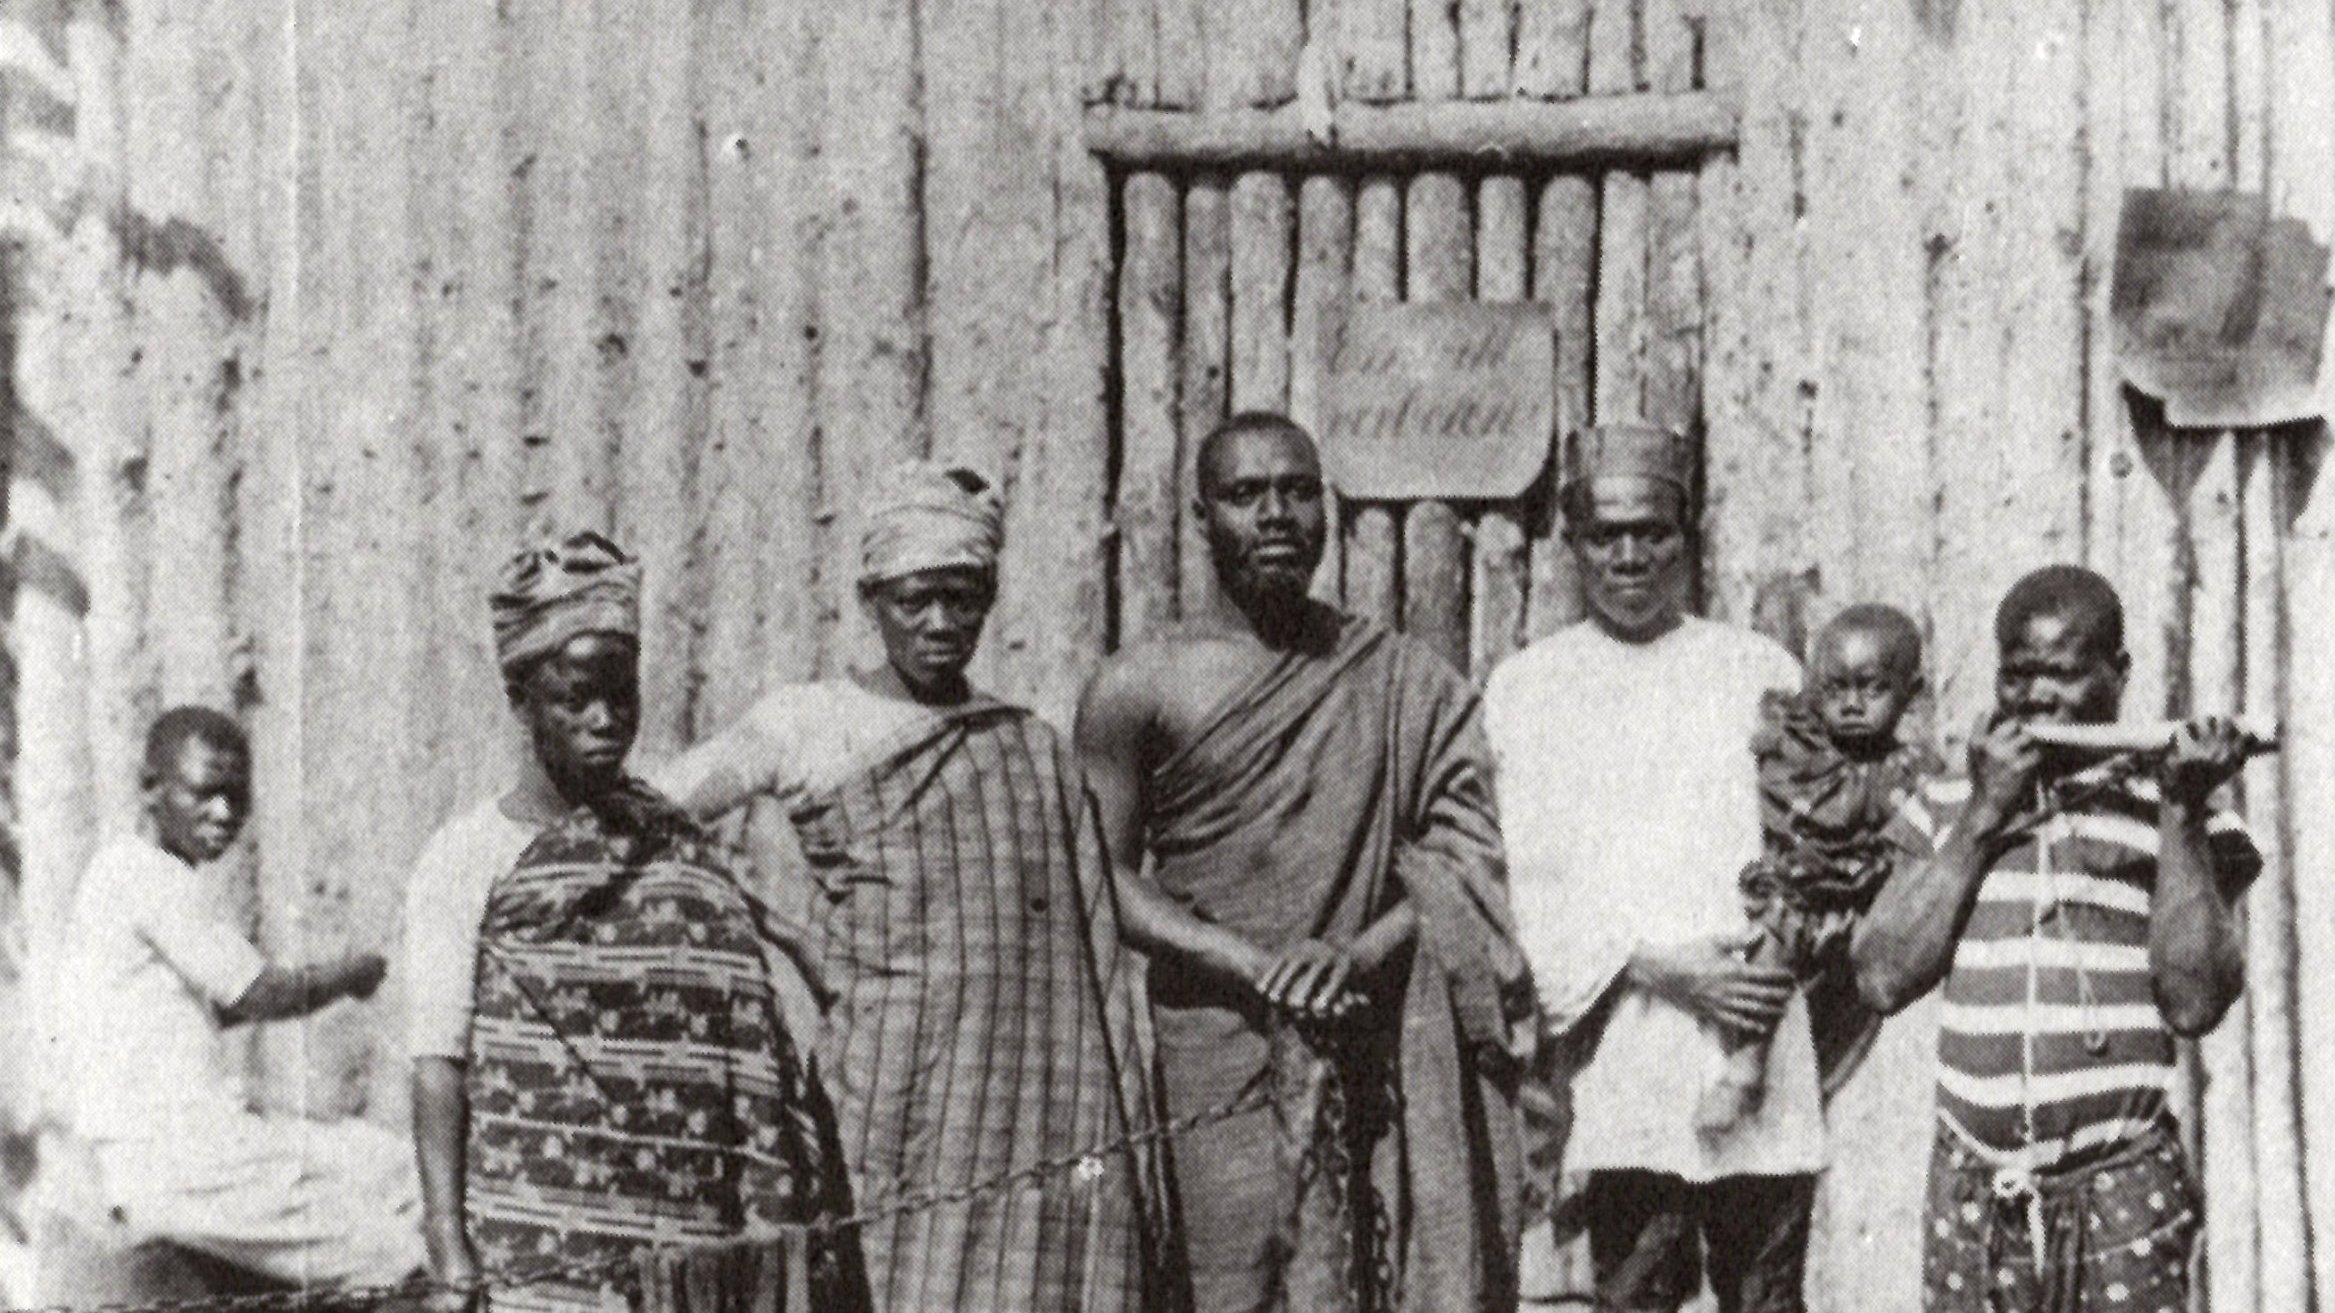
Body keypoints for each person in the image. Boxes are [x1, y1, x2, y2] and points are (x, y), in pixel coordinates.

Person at [651, 461, 1162, 1313]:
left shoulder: (1027, 743)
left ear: (988, 598)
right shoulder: (808, 721)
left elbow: (1090, 952)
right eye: (913, 599)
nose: (939, 623)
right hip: (893, 1095)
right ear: (869, 598)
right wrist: (777, 931)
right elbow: (654, 814)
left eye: (962, 598)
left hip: (1039, 1105)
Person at [1075, 411, 1533, 1313]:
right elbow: (1097, 873)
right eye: (1245, 494)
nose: (1275, 514)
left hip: (1372, 1028)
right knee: (1234, 1284)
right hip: (1216, 1036)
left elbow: (1464, 861)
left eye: (1296, 490)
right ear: (1201, 517)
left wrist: (1350, 955)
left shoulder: (1401, 676)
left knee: (1382, 1272)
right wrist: (1247, 961)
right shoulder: (1137, 685)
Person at [404, 532, 838, 1313]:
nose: (606, 718)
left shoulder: (669, 842)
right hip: (543, 1246)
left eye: (622, 693)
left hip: (691, 1239)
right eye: (575, 697)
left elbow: (736, 1020)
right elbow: (439, 1059)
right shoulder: (466, 856)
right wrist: (447, 1239)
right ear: (520, 700)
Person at [1852, 565, 2256, 1313]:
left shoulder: (2179, 813)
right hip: (1974, 1191)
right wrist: (1982, 813)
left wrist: (2180, 810)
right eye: (2016, 676)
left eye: (2063, 675)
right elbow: (1878, 977)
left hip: (2120, 1189)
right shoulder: (1946, 801)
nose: (2036, 698)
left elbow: (2195, 1002)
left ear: (2118, 673)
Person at [1483, 425, 1821, 1313]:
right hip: (1619, 1043)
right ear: (1573, 543)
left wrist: (1751, 982)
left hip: (1751, 1042)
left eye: (1653, 531)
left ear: (1686, 534)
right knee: (1634, 1292)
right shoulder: (1528, 689)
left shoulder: (1756, 670)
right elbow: (1520, 875)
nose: (1629, 555)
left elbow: (1807, 849)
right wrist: (1655, 965)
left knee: (1765, 1293)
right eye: (1606, 534)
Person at [60, 705, 423, 1289]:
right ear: (151, 789)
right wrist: (353, 974)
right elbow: (260, 994)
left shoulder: (122, 872)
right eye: (204, 793)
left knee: (394, 1166)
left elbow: (204, 1006)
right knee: (392, 1255)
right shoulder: (147, 876)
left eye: (237, 796)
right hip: (184, 1160)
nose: (224, 813)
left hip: (190, 1147)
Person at [1702, 603, 1941, 1130]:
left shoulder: (1912, 768)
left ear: (1910, 690)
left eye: (1872, 689)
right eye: (1835, 690)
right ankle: (1746, 1065)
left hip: (1866, 905)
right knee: (1772, 939)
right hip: (1801, 890)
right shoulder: (1800, 745)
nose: (1852, 705)